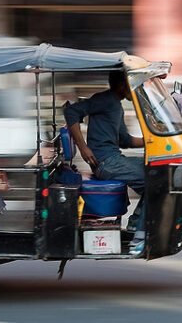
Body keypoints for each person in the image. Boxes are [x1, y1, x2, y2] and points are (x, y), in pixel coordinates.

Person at [63, 71, 146, 254]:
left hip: (113, 159)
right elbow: (71, 112)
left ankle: (135, 224)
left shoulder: (116, 105)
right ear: (122, 85)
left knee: (156, 169)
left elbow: (125, 140)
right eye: (131, 86)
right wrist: (83, 147)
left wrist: (152, 139)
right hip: (107, 163)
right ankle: (139, 237)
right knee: (157, 181)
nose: (134, 90)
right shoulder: (105, 99)